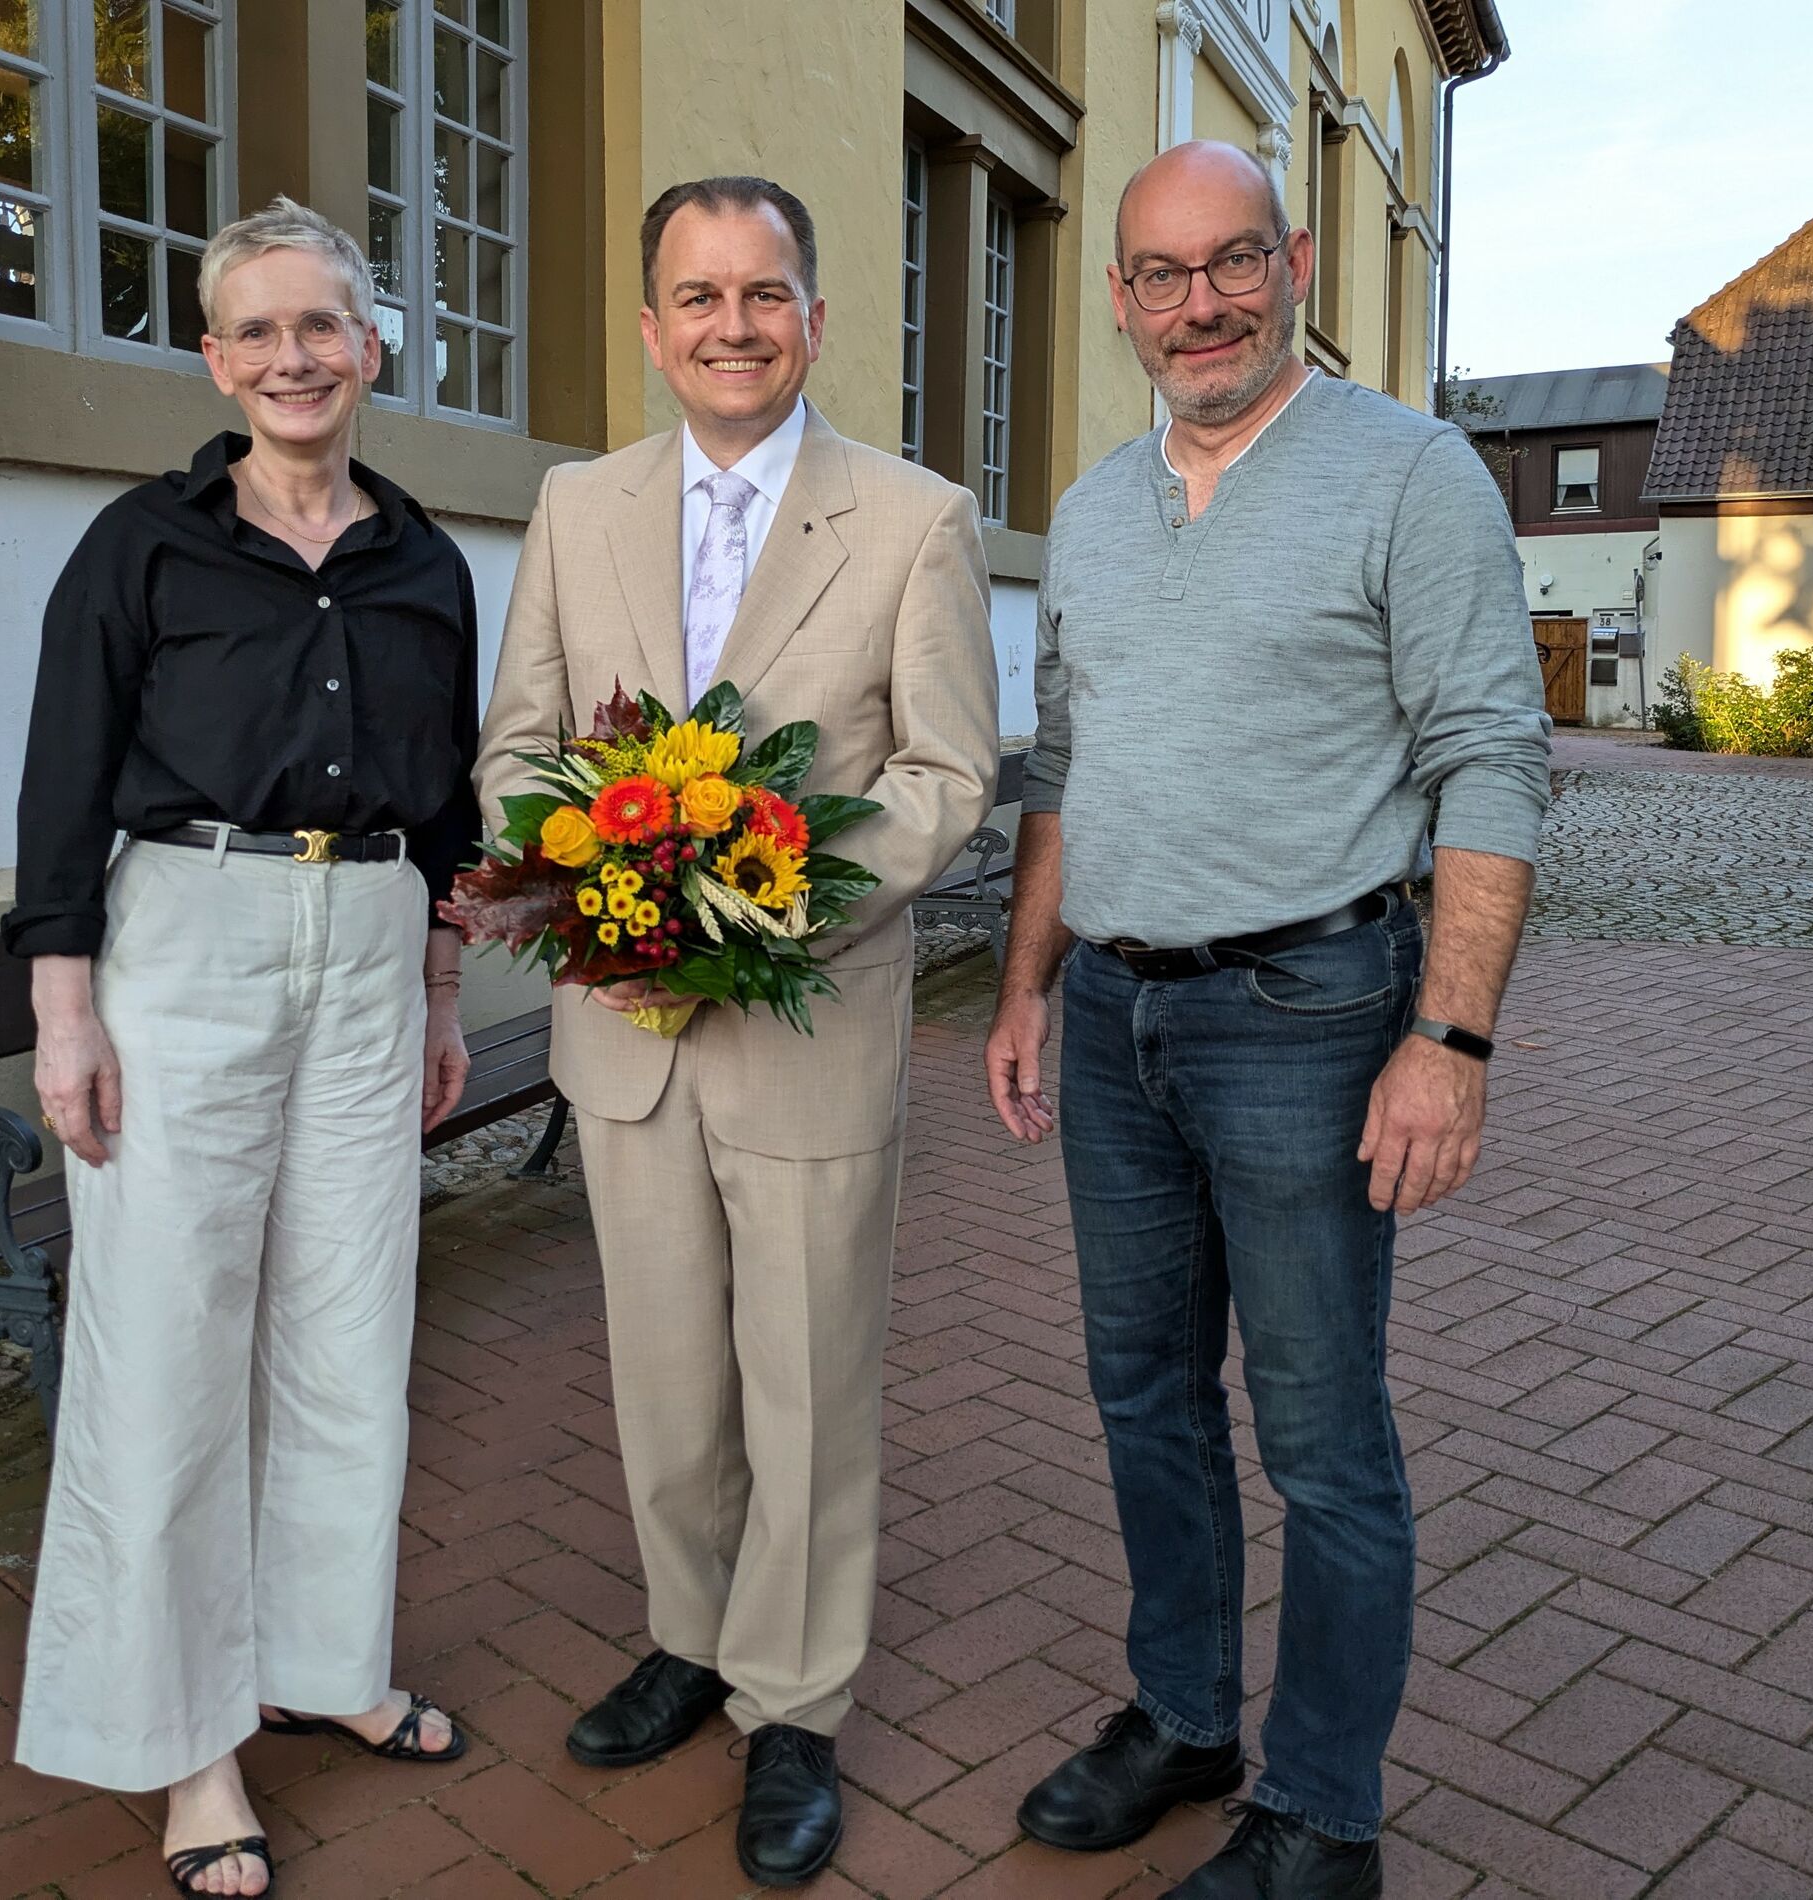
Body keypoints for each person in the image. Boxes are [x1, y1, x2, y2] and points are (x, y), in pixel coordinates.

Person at [983, 142, 1550, 1900]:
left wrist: (1448, 1042)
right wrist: (1023, 977)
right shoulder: (1090, 506)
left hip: (1314, 1012)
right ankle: (1184, 1718)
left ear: (1293, 261)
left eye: (1231, 263)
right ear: (1119, 299)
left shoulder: (1411, 475)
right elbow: (1070, 769)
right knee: (1144, 1394)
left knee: (1320, 1436)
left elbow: (1491, 760)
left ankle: (1322, 1816)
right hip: (1113, 1021)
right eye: (1160, 275)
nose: (1199, 303)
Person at [477, 176, 997, 1887]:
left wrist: (771, 894)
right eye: (696, 297)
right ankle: (689, 1638)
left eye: (763, 293)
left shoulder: (915, 517)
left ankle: (794, 1703)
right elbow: (519, 746)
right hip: (625, 1027)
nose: (731, 325)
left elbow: (945, 776)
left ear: (817, 318)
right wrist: (596, 876)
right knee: (665, 1378)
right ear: (651, 327)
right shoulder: (576, 504)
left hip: (805, 1020)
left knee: (805, 1379)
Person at [2, 198, 480, 1899]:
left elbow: (450, 807)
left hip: (363, 951)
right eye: (257, 330)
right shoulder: (142, 545)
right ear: (215, 356)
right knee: (170, 1345)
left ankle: (323, 1662)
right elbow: (61, 786)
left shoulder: (425, 559)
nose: (293, 356)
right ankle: (188, 1745)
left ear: (370, 345)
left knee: (353, 1331)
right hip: (185, 946)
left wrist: (434, 993)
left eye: (323, 326)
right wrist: (66, 1016)